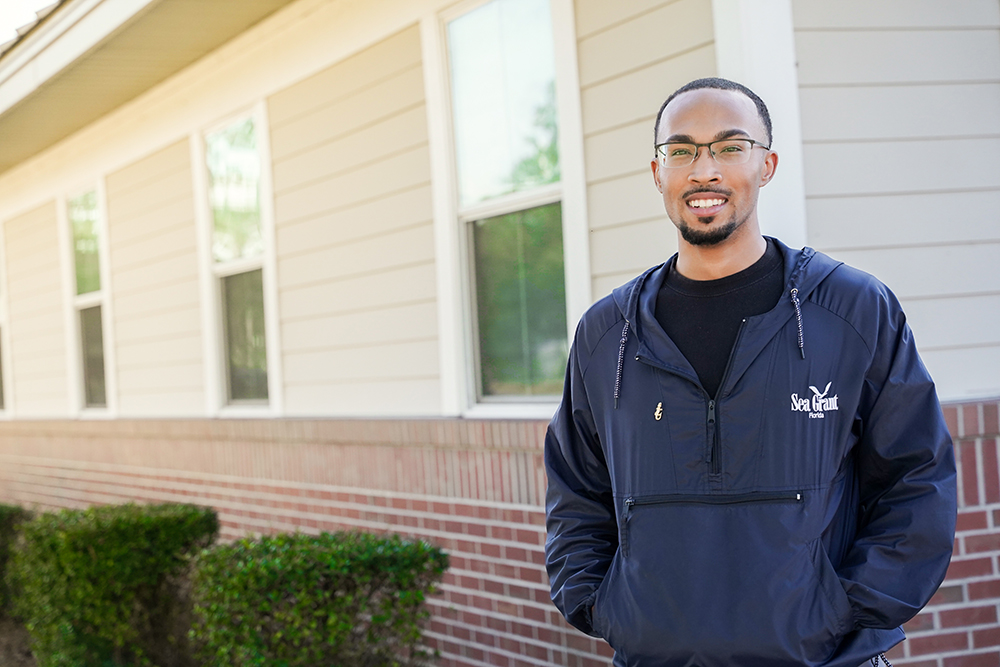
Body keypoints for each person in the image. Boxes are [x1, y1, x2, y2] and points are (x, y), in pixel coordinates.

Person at [543, 77, 957, 667]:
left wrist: (845, 610)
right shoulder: (606, 334)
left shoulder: (853, 311)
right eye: (681, 150)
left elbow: (918, 477)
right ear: (657, 172)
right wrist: (600, 603)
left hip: (825, 659)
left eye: (731, 147)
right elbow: (577, 491)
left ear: (767, 165)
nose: (703, 169)